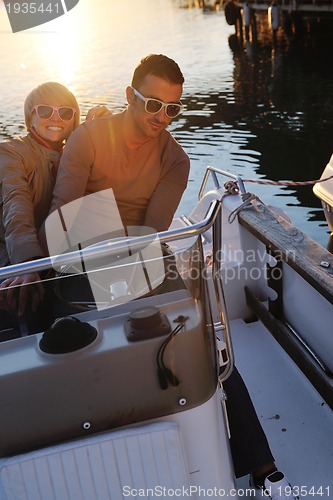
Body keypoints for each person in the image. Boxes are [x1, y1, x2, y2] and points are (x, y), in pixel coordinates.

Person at [41, 54, 297, 499]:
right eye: (152, 104)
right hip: (81, 266)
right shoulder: (88, 139)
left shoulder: (175, 160)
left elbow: (152, 232)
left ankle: (263, 467)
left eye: (173, 109)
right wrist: (106, 234)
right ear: (129, 96)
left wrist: (105, 226)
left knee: (206, 340)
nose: (162, 117)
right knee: (67, 341)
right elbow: (62, 219)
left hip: (143, 260)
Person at [0, 82, 109, 322]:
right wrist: (28, 265)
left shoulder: (74, 154)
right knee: (23, 301)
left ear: (74, 119)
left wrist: (102, 136)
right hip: (15, 259)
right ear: (31, 117)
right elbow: (15, 205)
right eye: (45, 111)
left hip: (62, 257)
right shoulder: (10, 152)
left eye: (65, 112)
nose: (56, 118)